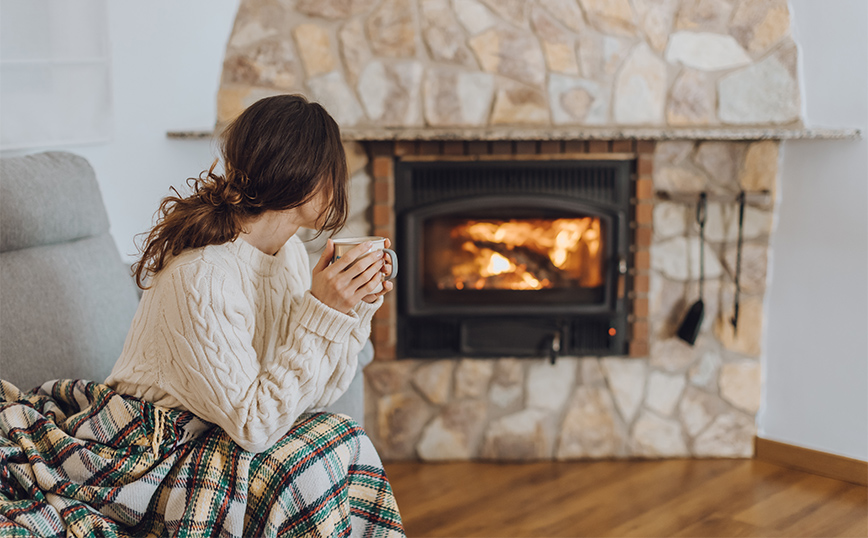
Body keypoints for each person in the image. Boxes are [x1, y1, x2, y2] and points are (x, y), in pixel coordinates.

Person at [105, 94, 393, 453]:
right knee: (328, 452)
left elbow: (319, 396)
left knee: (341, 436)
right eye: (334, 168)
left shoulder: (289, 254)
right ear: (300, 173)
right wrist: (323, 312)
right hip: (151, 441)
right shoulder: (203, 277)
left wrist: (352, 307)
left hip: (218, 430)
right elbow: (254, 427)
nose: (340, 183)